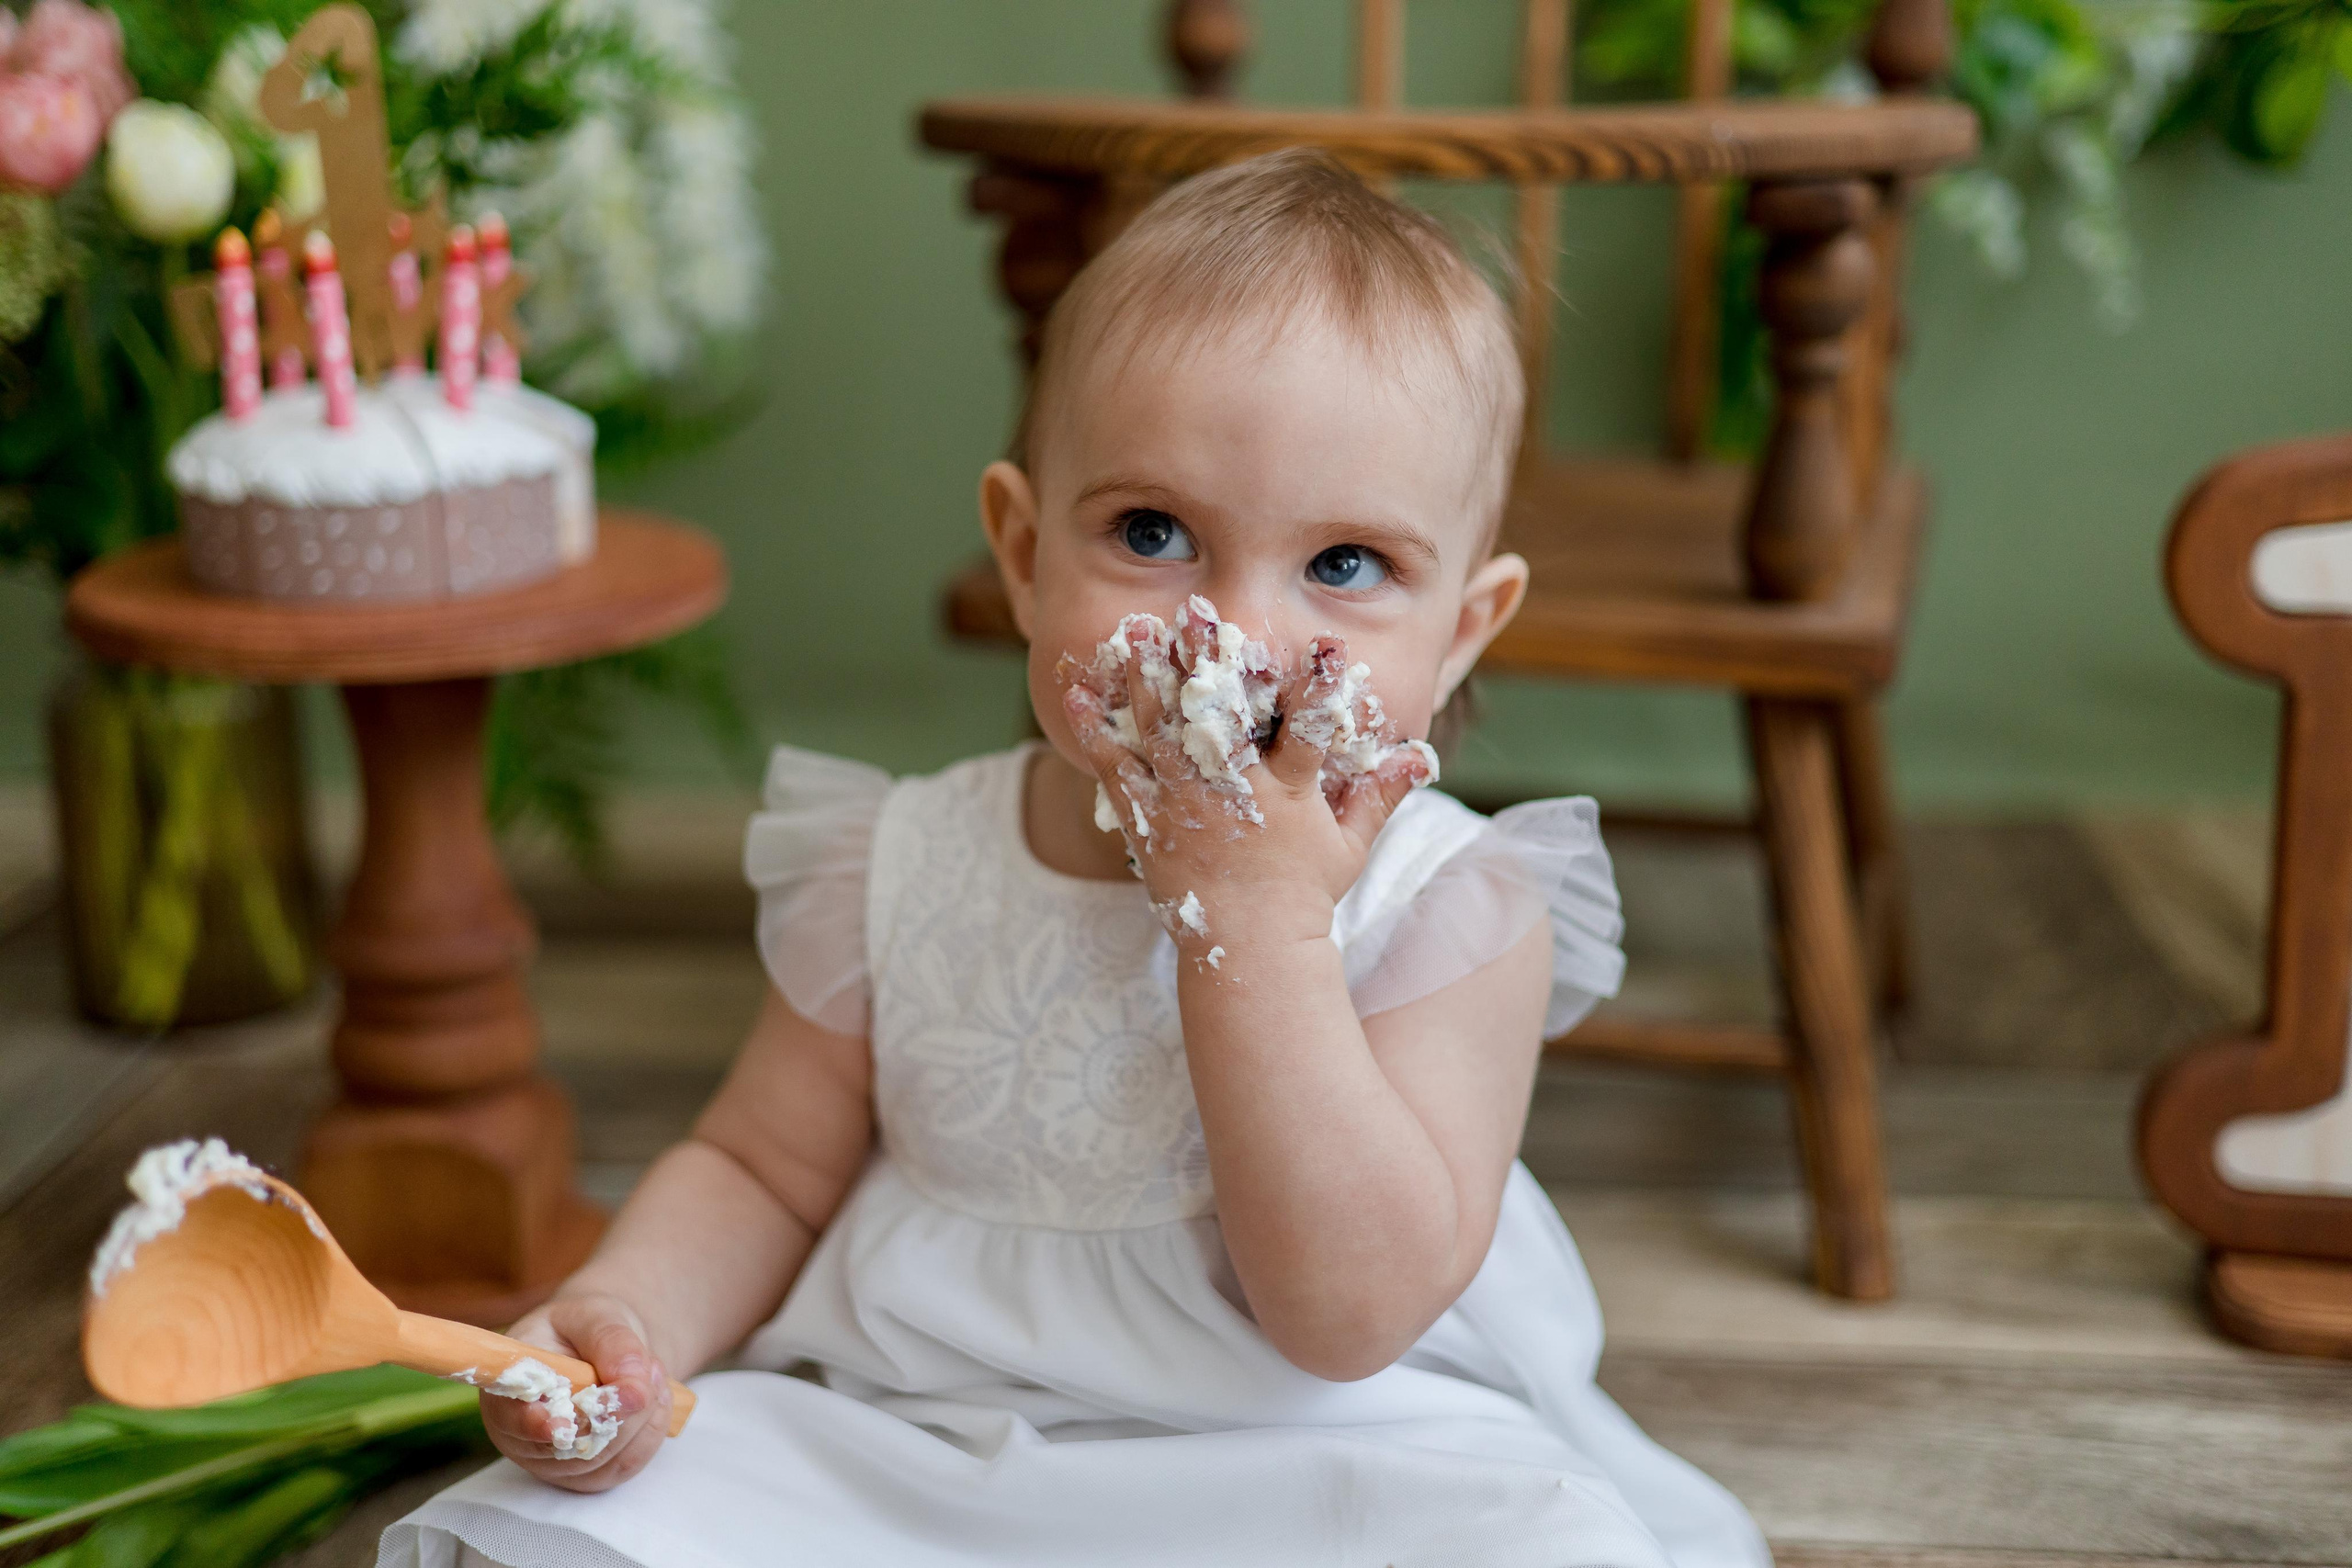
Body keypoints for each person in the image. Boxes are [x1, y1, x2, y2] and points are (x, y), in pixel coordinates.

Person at [381, 148, 1771, 1568]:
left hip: (1323, 1467)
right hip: (921, 1443)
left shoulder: (1451, 907)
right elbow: (759, 1169)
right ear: (1024, 551)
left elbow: (1348, 1320)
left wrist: (1263, 925)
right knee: (577, 1532)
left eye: (1345, 566)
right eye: (1153, 534)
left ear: (1464, 628)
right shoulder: (909, 855)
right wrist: (624, 1316)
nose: (1230, 631)